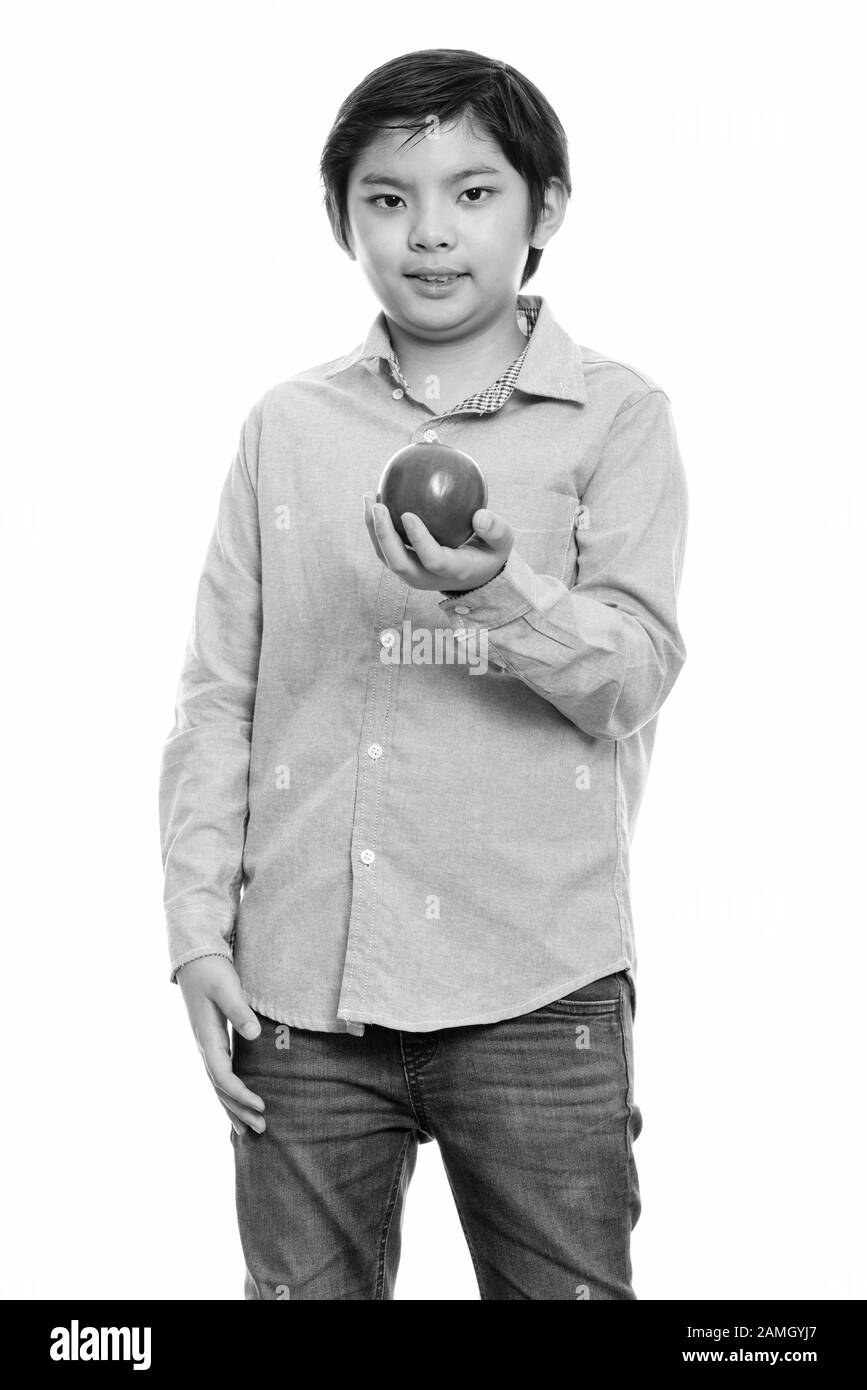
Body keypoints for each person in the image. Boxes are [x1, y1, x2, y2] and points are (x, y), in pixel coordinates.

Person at [158, 48, 689, 1301]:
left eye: (473, 191)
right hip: (296, 999)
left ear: (544, 209)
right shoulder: (286, 426)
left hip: (536, 989)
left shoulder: (615, 418)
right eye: (388, 198)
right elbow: (217, 696)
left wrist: (493, 592)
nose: (429, 233)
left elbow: (634, 676)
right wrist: (195, 935)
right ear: (343, 218)